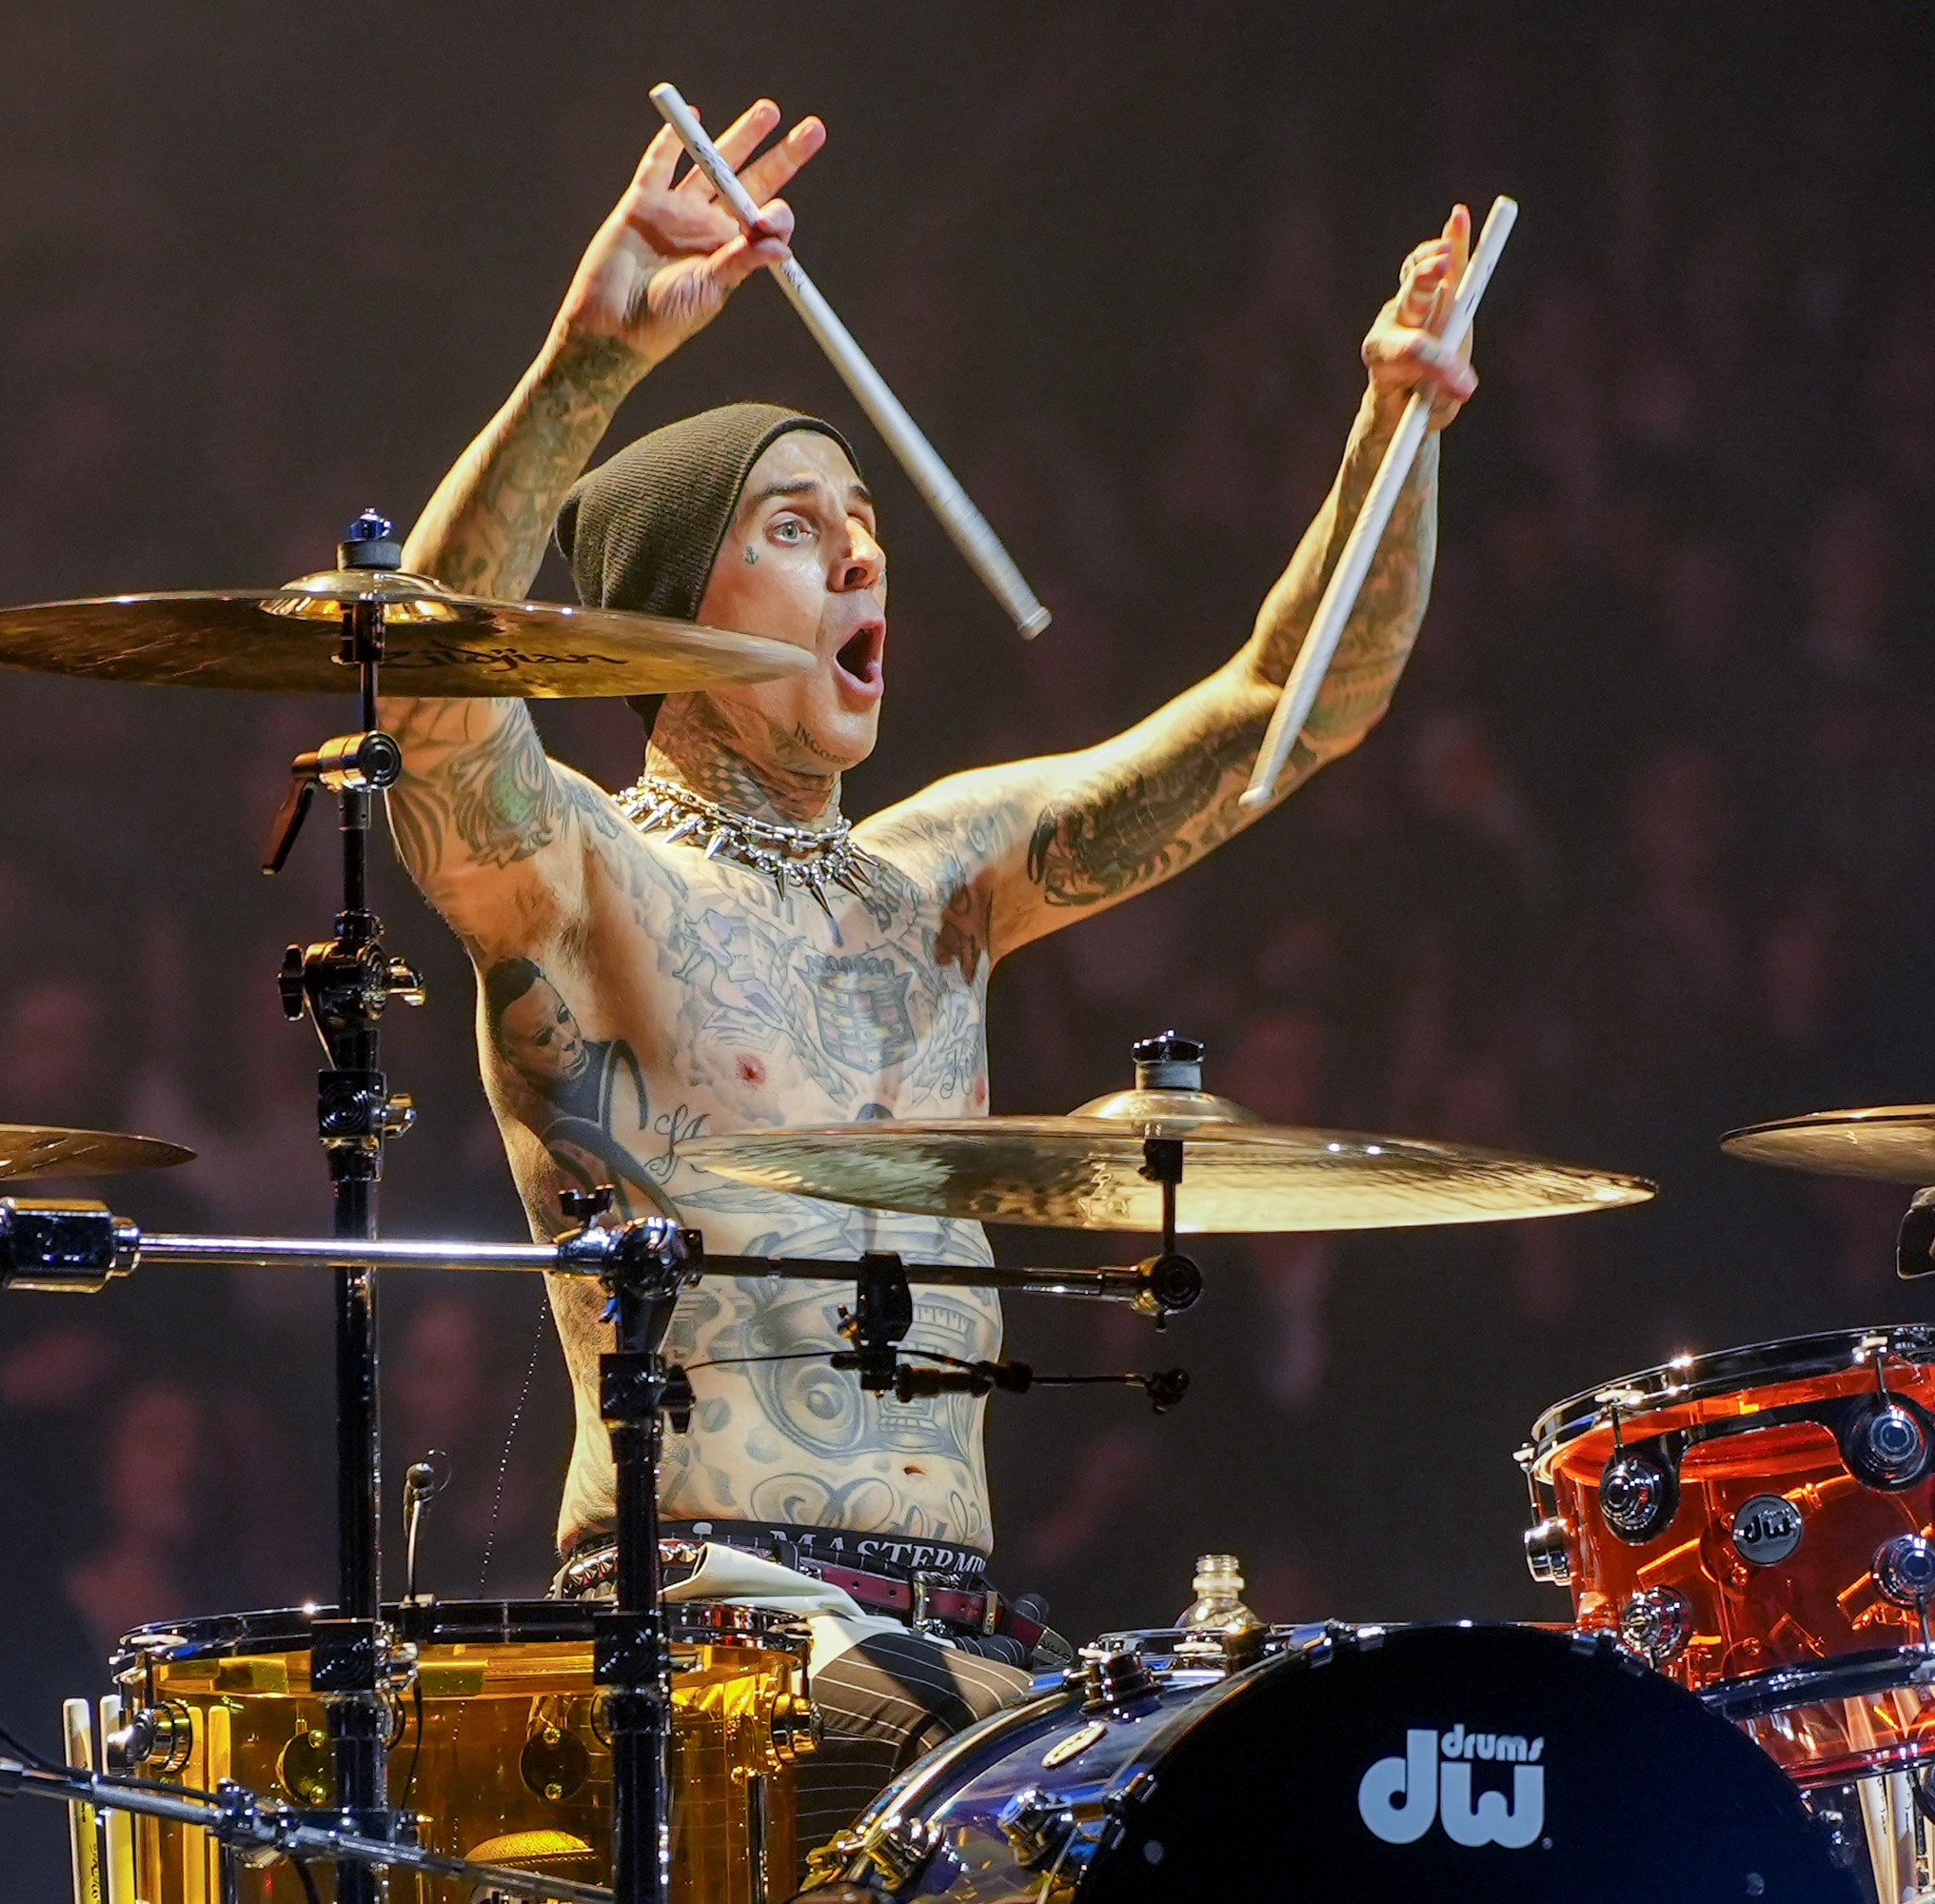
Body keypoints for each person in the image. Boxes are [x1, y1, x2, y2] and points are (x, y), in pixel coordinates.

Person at [381, 91, 1476, 1859]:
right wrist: (589, 361)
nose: (864, 550)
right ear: (669, 612)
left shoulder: (939, 878)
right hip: (715, 1634)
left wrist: (1396, 431)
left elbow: (1294, 713)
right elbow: (428, 684)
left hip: (957, 1644)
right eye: (797, 526)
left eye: (867, 518)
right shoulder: (585, 876)